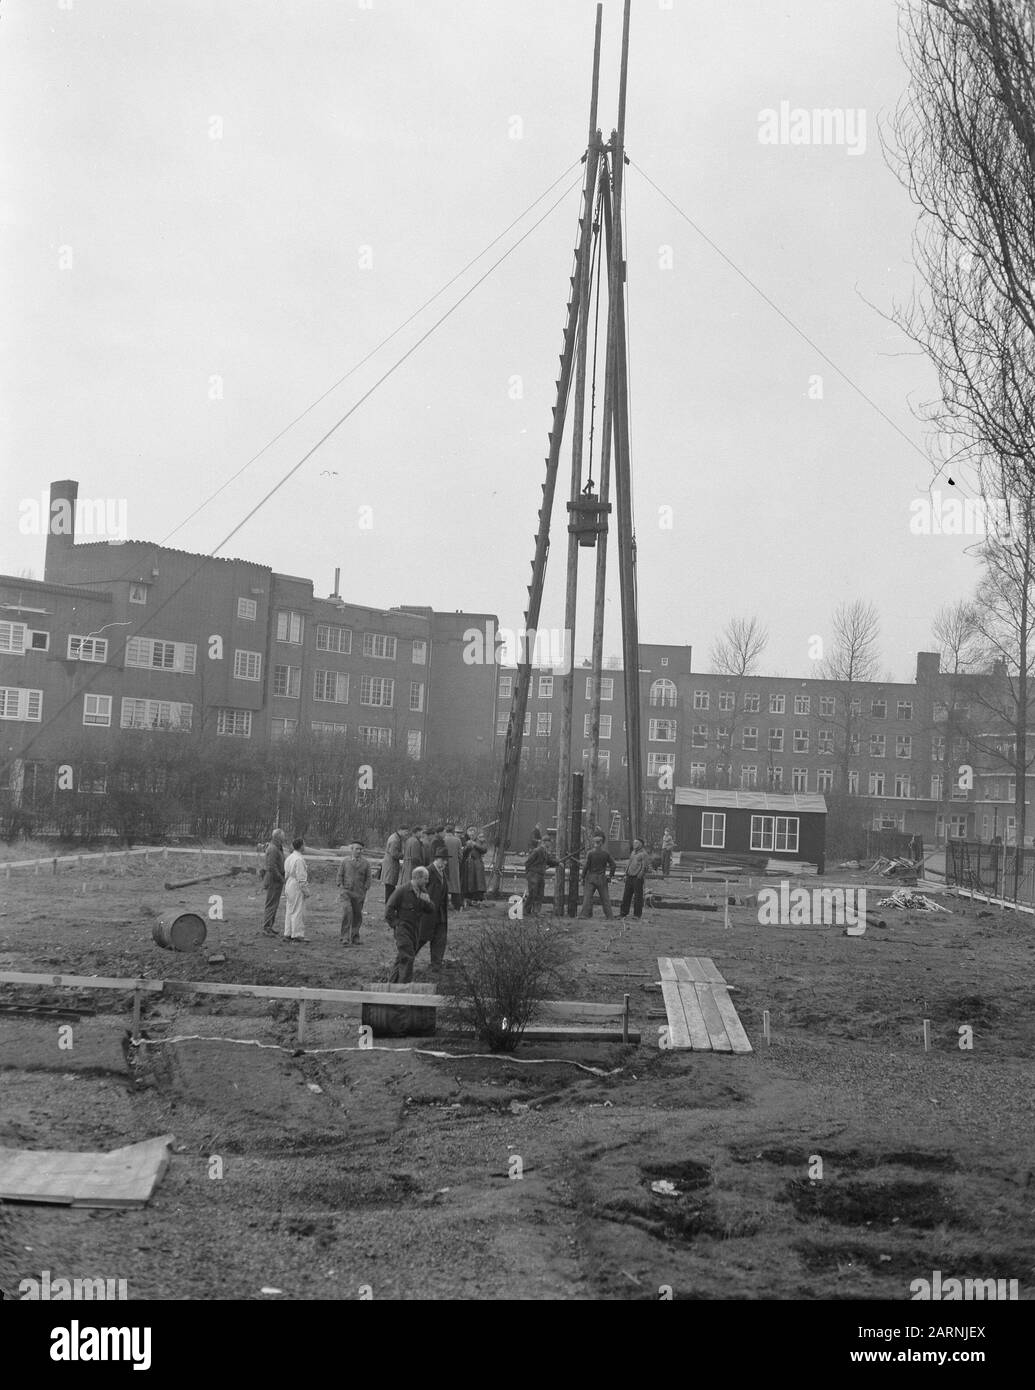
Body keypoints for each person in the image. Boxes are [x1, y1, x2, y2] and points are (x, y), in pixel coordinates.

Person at [385, 866, 438, 983]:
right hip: (403, 930)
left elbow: (431, 910)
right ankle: (404, 987)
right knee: (408, 957)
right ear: (417, 878)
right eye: (425, 878)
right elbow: (389, 909)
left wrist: (427, 901)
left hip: (415, 931)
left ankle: (391, 985)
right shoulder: (402, 890)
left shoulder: (422, 891)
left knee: (401, 959)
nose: (427, 881)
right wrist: (396, 924)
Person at [421, 849, 450, 974]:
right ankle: (405, 962)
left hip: (441, 913)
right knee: (420, 938)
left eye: (446, 860)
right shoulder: (427, 872)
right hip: (427, 913)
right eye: (442, 860)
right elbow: (418, 891)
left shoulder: (442, 873)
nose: (444, 863)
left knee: (440, 939)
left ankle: (436, 965)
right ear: (436, 859)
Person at [337, 842, 372, 945]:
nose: (359, 851)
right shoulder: (345, 861)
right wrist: (340, 886)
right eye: (357, 849)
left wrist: (365, 889)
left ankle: (355, 937)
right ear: (351, 850)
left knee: (357, 915)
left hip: (359, 893)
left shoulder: (365, 863)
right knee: (347, 912)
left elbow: (368, 878)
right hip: (346, 892)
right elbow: (340, 874)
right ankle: (344, 937)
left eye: (361, 849)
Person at [579, 832, 615, 919]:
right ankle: (609, 916)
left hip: (591, 877)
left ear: (594, 842)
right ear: (602, 843)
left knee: (587, 897)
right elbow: (613, 865)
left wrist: (582, 877)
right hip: (602, 878)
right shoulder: (606, 853)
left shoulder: (590, 853)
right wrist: (610, 876)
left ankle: (584, 915)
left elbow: (586, 866)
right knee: (605, 898)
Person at [283, 837, 310, 942]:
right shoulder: (299, 859)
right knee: (297, 910)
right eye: (304, 844)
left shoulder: (290, 857)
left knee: (290, 909)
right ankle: (297, 934)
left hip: (289, 883)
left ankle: (288, 932)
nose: (305, 846)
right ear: (301, 846)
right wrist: (306, 891)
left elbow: (286, 873)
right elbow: (301, 878)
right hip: (296, 885)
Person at [261, 828, 287, 936]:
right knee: (271, 904)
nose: (284, 838)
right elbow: (271, 866)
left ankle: (270, 926)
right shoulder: (273, 849)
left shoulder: (278, 848)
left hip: (276, 879)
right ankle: (266, 927)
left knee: (274, 904)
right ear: (278, 837)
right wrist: (280, 878)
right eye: (283, 836)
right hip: (273, 879)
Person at [524, 837, 557, 917]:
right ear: (544, 842)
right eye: (549, 842)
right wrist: (529, 873)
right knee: (533, 893)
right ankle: (526, 911)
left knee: (540, 894)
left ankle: (536, 912)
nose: (550, 844)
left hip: (541, 875)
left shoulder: (545, 852)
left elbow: (549, 861)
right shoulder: (537, 851)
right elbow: (527, 863)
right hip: (534, 875)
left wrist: (558, 863)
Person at [620, 837, 650, 920]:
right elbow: (629, 864)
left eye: (636, 843)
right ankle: (623, 913)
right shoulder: (633, 852)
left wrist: (640, 875)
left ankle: (637, 915)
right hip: (629, 876)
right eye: (634, 843)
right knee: (626, 895)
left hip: (637, 878)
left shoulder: (644, 854)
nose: (634, 844)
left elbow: (645, 867)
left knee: (638, 897)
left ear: (641, 844)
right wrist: (625, 874)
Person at [461, 827, 487, 904]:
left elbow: (484, 850)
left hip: (477, 862)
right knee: (468, 881)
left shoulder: (481, 840)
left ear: (476, 834)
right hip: (468, 863)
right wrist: (467, 847)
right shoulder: (465, 840)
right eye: (470, 833)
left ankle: (477, 898)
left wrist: (475, 845)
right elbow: (462, 852)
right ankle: (468, 897)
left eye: (473, 833)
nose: (471, 835)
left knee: (478, 881)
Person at [443, 822, 463, 910]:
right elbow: (460, 855)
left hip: (443, 864)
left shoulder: (442, 840)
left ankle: (444, 904)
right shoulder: (457, 840)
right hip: (454, 865)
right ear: (453, 831)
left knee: (444, 884)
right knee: (455, 885)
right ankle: (457, 905)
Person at [382, 825, 405, 903]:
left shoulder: (395, 837)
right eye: (405, 831)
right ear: (400, 830)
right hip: (391, 865)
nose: (406, 833)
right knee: (390, 886)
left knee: (390, 886)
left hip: (390, 864)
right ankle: (389, 904)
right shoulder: (395, 840)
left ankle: (389, 903)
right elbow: (394, 854)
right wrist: (404, 855)